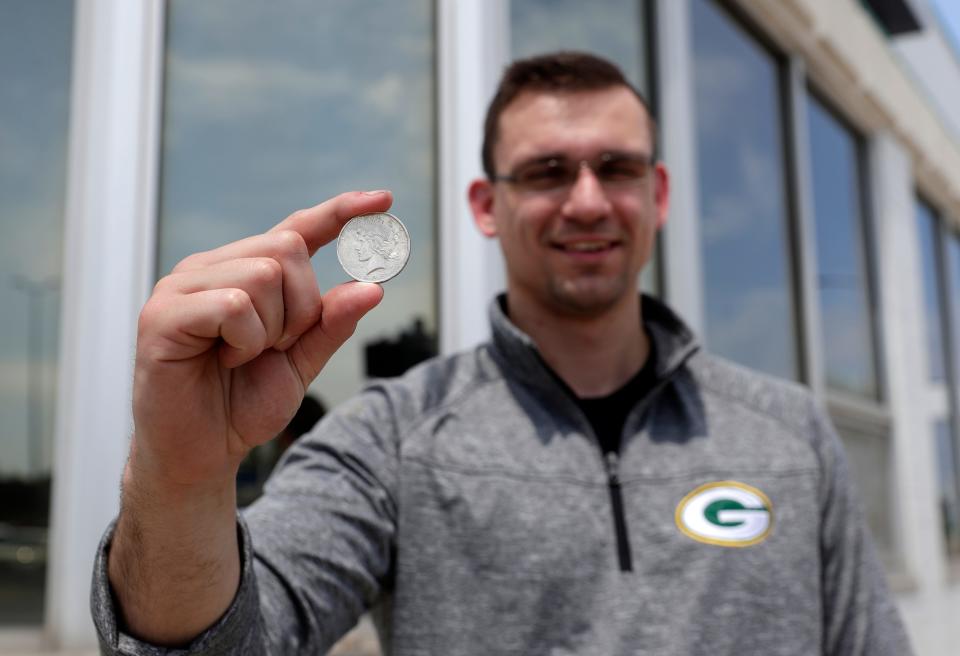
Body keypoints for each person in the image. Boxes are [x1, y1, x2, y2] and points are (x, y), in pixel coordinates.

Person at [91, 52, 912, 655]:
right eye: (548, 171)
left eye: (616, 168)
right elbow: (227, 646)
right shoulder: (394, 439)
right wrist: (180, 479)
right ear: (488, 205)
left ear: (656, 196)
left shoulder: (790, 433)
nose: (587, 200)